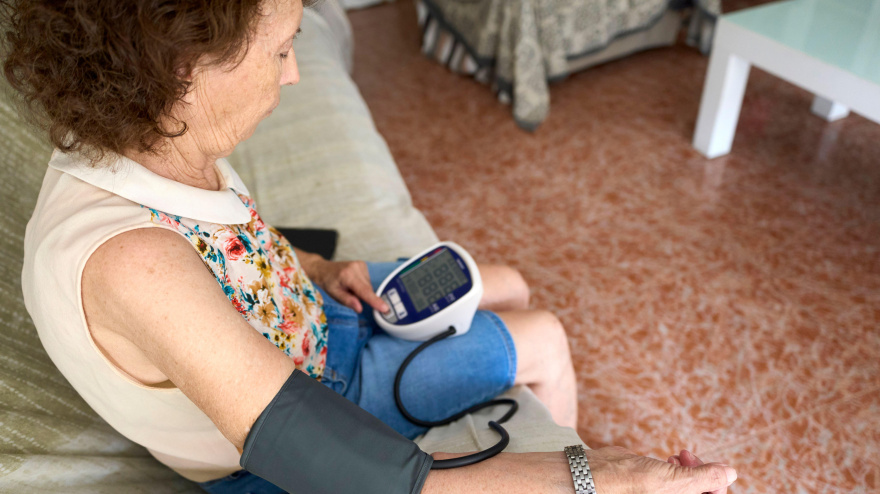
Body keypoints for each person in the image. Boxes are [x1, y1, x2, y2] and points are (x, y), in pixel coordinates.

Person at [2, 0, 737, 492]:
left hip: (314, 321)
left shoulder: (144, 142)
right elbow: (391, 483)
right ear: (184, 70)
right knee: (543, 336)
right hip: (319, 398)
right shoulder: (133, 266)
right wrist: (597, 475)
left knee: (505, 280)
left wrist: (319, 268)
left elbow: (221, 239)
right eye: (282, 49)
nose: (293, 71)